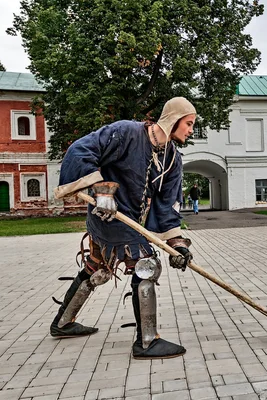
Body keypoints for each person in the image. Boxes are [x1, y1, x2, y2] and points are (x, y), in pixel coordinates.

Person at [51, 97, 197, 359]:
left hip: (131, 221)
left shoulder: (173, 159)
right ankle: (147, 342)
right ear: (173, 120)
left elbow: (166, 207)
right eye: (188, 123)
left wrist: (177, 244)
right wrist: (101, 192)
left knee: (97, 267)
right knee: (146, 264)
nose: (191, 130)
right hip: (106, 215)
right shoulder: (126, 132)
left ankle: (62, 323)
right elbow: (81, 149)